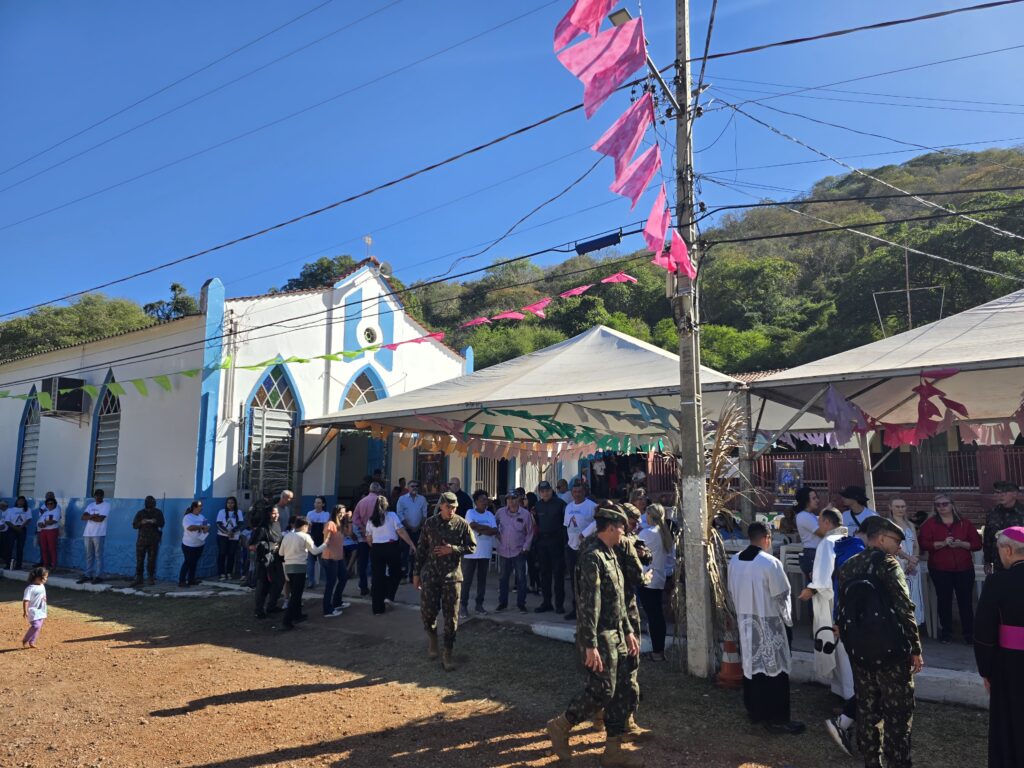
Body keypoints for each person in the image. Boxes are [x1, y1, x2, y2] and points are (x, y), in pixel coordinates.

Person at [546, 505, 643, 768]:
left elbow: (618, 599)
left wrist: (629, 630)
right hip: (600, 635)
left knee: (621, 689)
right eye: (621, 528)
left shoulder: (611, 554)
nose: (624, 532)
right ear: (610, 528)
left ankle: (613, 750)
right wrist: (590, 644)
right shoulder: (592, 557)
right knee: (603, 689)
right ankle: (562, 724)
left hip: (618, 632)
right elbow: (590, 604)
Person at [837, 516, 923, 768]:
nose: (899, 547)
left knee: (867, 709)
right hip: (891, 652)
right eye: (897, 541)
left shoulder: (849, 566)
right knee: (898, 714)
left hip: (861, 651)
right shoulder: (888, 565)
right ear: (882, 538)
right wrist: (915, 648)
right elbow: (905, 608)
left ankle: (871, 761)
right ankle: (898, 762)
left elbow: (843, 608)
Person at [727, 522, 805, 735]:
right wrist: (787, 621)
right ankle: (778, 718)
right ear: (767, 538)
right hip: (770, 624)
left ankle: (756, 711)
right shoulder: (770, 563)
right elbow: (782, 596)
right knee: (775, 670)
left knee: (752, 667)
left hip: (746, 623)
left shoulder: (735, 561)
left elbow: (731, 591)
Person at [797, 509, 859, 755]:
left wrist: (810, 589)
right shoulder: (852, 540)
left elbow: (822, 579)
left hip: (833, 603)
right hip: (851, 603)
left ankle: (849, 699)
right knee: (845, 651)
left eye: (820, 521)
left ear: (825, 522)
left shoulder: (827, 543)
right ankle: (844, 695)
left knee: (839, 651)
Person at [974, 526, 1024, 767]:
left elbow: (984, 631)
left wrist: (986, 670)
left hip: (1010, 664)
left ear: (1008, 550)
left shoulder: (997, 582)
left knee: (1010, 720)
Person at [414, 490, 476, 671]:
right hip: (431, 575)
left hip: (452, 577)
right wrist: (416, 573)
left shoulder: (462, 524)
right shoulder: (430, 523)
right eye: (448, 507)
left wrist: (453, 549)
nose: (451, 510)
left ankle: (447, 652)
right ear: (440, 506)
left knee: (451, 618)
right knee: (428, 612)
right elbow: (421, 549)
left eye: (454, 507)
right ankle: (433, 638)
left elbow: (472, 547)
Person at [919, 493, 982, 644]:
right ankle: (946, 632)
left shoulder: (964, 523)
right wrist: (942, 543)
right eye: (938, 505)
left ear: (952, 505)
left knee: (965, 601)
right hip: (940, 568)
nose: (941, 507)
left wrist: (962, 544)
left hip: (964, 567)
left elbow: (977, 544)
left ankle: (969, 633)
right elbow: (924, 544)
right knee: (944, 600)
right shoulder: (929, 524)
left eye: (945, 504)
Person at [366, 495, 416, 615]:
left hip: (376, 548)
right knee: (396, 573)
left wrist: (375, 547)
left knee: (377, 578)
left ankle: (377, 608)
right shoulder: (392, 516)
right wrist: (411, 544)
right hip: (391, 547)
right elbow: (401, 531)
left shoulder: (371, 519)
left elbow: (368, 538)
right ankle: (389, 595)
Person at [278, 516, 331, 630]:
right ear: (304, 526)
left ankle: (297, 615)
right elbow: (315, 551)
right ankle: (286, 621)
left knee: (295, 593)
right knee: (296, 595)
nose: (309, 529)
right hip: (300, 568)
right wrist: (325, 543)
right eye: (308, 527)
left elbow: (281, 553)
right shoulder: (305, 536)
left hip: (288, 567)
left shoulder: (287, 536)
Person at [637, 503, 673, 662]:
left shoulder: (647, 533)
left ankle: (657, 651)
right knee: (657, 615)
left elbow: (634, 548)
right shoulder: (663, 532)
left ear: (650, 516)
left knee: (653, 616)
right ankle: (659, 650)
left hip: (647, 578)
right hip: (659, 577)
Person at [888, 498, 925, 627]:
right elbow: (892, 546)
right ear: (890, 507)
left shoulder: (910, 524)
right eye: (897, 506)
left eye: (903, 506)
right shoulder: (888, 524)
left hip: (912, 565)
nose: (900, 509)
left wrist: (914, 560)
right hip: (897, 563)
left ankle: (914, 625)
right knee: (900, 595)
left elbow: (916, 545)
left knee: (914, 596)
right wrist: (908, 558)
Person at [563, 481, 598, 620]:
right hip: (572, 548)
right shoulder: (568, 507)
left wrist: (586, 533)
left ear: (584, 492)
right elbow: (567, 525)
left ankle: (588, 610)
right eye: (574, 492)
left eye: (579, 492)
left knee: (587, 581)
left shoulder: (592, 506)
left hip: (586, 549)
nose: (577, 494)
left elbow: (598, 522)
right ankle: (576, 609)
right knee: (574, 581)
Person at [461, 489, 498, 617]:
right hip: (470, 552)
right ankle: (463, 606)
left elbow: (494, 531)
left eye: (486, 499)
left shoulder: (490, 515)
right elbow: (472, 525)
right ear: (476, 501)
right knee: (466, 580)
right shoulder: (470, 512)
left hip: (485, 552)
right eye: (482, 499)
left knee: (482, 580)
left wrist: (480, 529)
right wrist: (486, 529)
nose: (485, 502)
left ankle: (479, 605)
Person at [495, 491, 534, 613]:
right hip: (503, 551)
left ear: (519, 499)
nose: (511, 501)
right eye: (508, 499)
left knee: (521, 578)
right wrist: (497, 537)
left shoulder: (525, 514)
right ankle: (502, 603)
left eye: (513, 498)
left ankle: (521, 604)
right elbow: (493, 525)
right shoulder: (500, 512)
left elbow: (530, 532)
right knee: (503, 578)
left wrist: (525, 547)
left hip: (519, 551)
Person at [533, 480, 568, 614]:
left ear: (551, 490)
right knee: (544, 574)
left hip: (557, 542)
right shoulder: (537, 505)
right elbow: (536, 524)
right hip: (542, 542)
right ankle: (546, 602)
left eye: (547, 491)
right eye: (542, 491)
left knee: (558, 574)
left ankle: (559, 604)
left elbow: (565, 524)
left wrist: (564, 543)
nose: (545, 493)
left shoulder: (560, 504)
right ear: (539, 493)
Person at [250, 505, 285, 619]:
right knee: (263, 586)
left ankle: (272, 606)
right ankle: (259, 610)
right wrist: (268, 546)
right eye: (273, 513)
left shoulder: (277, 525)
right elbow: (251, 545)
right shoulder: (262, 529)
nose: (276, 515)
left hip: (276, 559)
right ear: (268, 514)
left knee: (279, 582)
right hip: (265, 561)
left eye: (277, 513)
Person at [983, 481, 1024, 576]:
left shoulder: (1022, 512)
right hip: (999, 562)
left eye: (1004, 492)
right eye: (998, 492)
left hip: (1020, 562)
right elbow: (988, 539)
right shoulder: (992, 513)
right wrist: (987, 562)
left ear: (1015, 494)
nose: (1000, 495)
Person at [352, 481, 384, 596]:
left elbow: (355, 519)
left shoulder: (362, 502)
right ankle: (374, 586)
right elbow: (383, 518)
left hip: (363, 537)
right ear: (378, 490)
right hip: (377, 537)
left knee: (363, 563)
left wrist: (363, 528)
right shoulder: (380, 501)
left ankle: (363, 587)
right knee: (377, 563)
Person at [321, 504, 353, 617]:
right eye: (341, 512)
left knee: (343, 577)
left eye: (344, 512)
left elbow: (349, 533)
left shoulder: (340, 525)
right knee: (331, 583)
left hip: (338, 558)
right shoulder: (331, 524)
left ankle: (337, 602)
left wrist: (349, 520)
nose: (343, 514)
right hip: (330, 558)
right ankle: (327, 609)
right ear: (336, 512)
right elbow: (326, 540)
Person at [396, 480, 428, 583]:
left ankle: (413, 576)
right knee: (404, 553)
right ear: (408, 488)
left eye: (416, 486)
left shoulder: (422, 499)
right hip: (406, 531)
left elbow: (424, 515)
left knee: (416, 554)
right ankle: (403, 576)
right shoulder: (402, 499)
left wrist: (418, 526)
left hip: (418, 530)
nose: (415, 488)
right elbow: (399, 514)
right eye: (412, 486)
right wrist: (409, 526)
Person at [131, 496, 165, 586]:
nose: (149, 503)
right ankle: (139, 578)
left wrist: (155, 522)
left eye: (151, 502)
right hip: (141, 541)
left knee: (152, 561)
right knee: (139, 560)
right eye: (147, 502)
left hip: (153, 541)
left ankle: (150, 577)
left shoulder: (158, 512)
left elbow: (162, 524)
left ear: (154, 503)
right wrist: (141, 522)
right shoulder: (140, 513)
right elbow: (134, 525)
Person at [78, 489, 110, 584]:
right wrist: (93, 516)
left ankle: (99, 575)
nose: (98, 497)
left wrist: (89, 516)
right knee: (89, 555)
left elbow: (100, 519)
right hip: (88, 533)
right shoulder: (90, 505)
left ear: (103, 496)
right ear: (94, 496)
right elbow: (83, 517)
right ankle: (88, 575)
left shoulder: (106, 505)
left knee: (98, 555)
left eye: (100, 495)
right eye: (96, 495)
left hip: (99, 533)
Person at [794, 486, 826, 578]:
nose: (817, 500)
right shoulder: (803, 516)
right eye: (814, 498)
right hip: (812, 553)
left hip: (815, 552)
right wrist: (825, 512)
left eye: (817, 498)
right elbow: (822, 533)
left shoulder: (810, 515)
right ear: (806, 501)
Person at [179, 500, 209, 587]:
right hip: (189, 545)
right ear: (194, 507)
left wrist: (206, 528)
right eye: (200, 506)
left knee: (194, 563)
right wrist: (201, 526)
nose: (201, 508)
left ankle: (191, 580)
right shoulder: (187, 517)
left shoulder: (201, 516)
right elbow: (190, 528)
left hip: (199, 544)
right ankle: (181, 581)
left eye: (202, 506)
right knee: (188, 563)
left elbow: (206, 525)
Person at [216, 496, 243, 582]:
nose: (230, 504)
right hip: (222, 536)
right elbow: (218, 524)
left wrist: (233, 531)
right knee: (222, 553)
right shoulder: (221, 512)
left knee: (231, 554)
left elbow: (240, 524)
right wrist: (227, 532)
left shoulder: (238, 512)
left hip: (234, 536)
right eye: (228, 503)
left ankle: (229, 572)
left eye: (232, 503)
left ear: (235, 504)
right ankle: (221, 573)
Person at [304, 496, 330, 588]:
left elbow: (326, 528)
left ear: (323, 504)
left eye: (319, 503)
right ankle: (311, 582)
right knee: (310, 562)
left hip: (322, 540)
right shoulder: (310, 513)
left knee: (323, 562)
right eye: (315, 502)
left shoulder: (326, 514)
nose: (316, 504)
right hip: (312, 540)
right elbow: (308, 528)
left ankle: (326, 582)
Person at [22, 566, 48, 649]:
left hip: (42, 610)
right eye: (45, 577)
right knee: (36, 626)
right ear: (38, 577)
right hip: (33, 611)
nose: (46, 579)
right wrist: (25, 611)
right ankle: (26, 639)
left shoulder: (42, 585)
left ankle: (32, 642)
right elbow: (26, 600)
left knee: (38, 627)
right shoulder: (30, 588)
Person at [36, 493, 61, 569]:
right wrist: (42, 524)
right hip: (43, 531)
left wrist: (44, 523)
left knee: (52, 548)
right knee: (43, 548)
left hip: (52, 531)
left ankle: (54, 565)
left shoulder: (56, 511)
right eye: (48, 504)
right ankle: (45, 565)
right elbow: (39, 522)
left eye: (51, 503)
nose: (50, 505)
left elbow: (53, 521)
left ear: (54, 504)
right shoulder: (45, 513)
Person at [5, 496, 32, 570]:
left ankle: (18, 565)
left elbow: (29, 519)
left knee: (20, 548)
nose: (21, 502)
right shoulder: (10, 510)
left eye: (23, 501)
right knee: (10, 547)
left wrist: (21, 527)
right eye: (19, 500)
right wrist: (15, 528)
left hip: (22, 529)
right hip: (12, 529)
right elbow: (7, 521)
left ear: (24, 502)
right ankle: (8, 564)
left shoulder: (27, 509)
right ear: (17, 501)